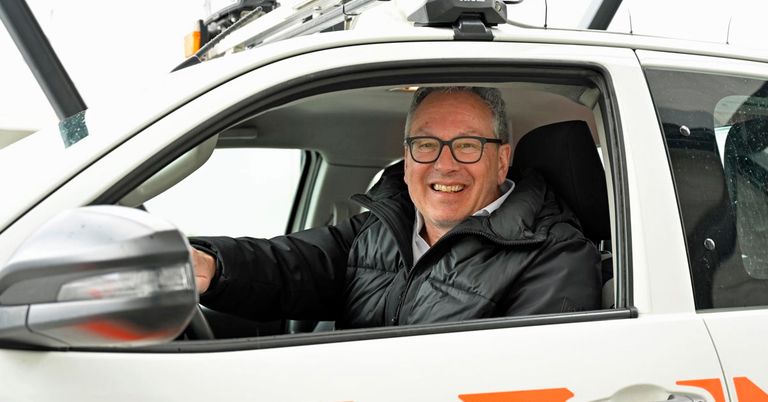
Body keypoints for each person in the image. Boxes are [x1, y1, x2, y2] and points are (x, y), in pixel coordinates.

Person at [190, 86, 601, 328]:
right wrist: (211, 265)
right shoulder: (381, 228)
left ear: (501, 160)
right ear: (406, 160)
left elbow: (525, 381)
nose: (444, 164)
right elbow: (292, 266)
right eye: (425, 144)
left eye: (467, 145)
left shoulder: (556, 257)